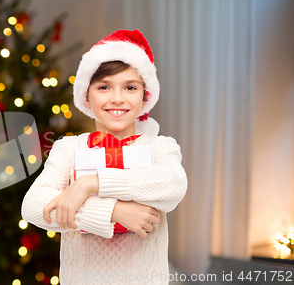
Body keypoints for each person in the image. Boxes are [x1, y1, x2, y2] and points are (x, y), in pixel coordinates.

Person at [21, 29, 188, 285]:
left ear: (145, 97)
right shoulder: (69, 149)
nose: (117, 98)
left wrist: (88, 184)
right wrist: (114, 211)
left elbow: (173, 184)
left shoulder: (160, 147)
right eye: (104, 87)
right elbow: (34, 206)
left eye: (130, 87)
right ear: (87, 96)